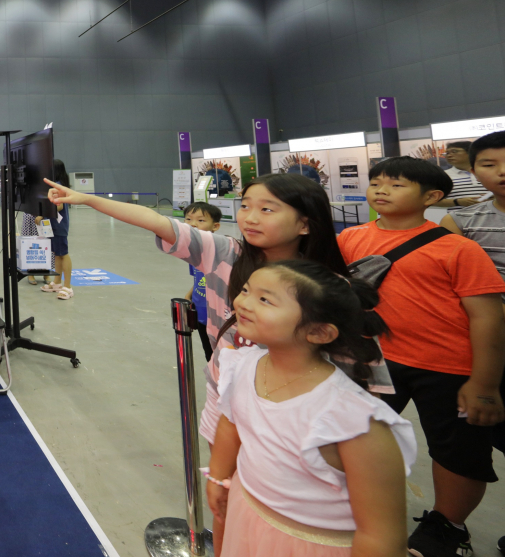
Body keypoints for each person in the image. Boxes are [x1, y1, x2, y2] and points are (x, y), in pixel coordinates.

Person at [44, 173, 381, 450]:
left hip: (297, 404)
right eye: (246, 206)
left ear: (305, 224)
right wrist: (88, 199)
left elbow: (358, 370)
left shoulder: (329, 286)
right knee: (224, 480)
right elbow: (159, 222)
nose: (249, 217)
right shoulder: (225, 252)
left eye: (267, 210)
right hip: (226, 391)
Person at [338, 156, 505, 557]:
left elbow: (487, 316)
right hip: (371, 360)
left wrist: (483, 383)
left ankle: (448, 525)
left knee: (456, 449)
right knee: (356, 437)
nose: (381, 190)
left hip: (446, 365)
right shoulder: (349, 239)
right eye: (376, 182)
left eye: (396, 185)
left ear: (431, 196)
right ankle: (356, 507)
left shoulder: (458, 248)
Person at [206, 260, 416, 557]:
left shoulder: (352, 419)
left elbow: (381, 537)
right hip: (247, 512)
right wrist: (218, 476)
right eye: (245, 290)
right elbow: (232, 422)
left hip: (313, 544)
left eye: (265, 299)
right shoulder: (242, 365)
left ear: (319, 332)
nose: (243, 302)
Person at [438, 132, 505, 557]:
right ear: (473, 169)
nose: (502, 173)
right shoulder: (461, 223)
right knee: (479, 436)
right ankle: (450, 526)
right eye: (489, 164)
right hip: (487, 349)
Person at [182, 201, 222, 362]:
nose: (193, 225)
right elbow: (199, 278)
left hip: (218, 316)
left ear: (215, 226)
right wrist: (189, 295)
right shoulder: (195, 251)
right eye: (189, 219)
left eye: (201, 220)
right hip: (201, 313)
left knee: (223, 356)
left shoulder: (220, 251)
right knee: (209, 355)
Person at [44, 159, 74, 299]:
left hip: (59, 226)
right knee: (56, 253)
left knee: (63, 254)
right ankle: (57, 282)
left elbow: (59, 206)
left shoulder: (59, 187)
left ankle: (67, 286)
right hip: (53, 226)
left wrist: (43, 211)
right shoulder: (56, 186)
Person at [433, 141, 489, 209]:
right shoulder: (443, 175)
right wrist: (457, 202)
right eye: (447, 153)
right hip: (458, 218)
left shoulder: (488, 171)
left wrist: (496, 199)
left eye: (454, 151)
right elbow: (432, 200)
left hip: (494, 217)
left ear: (470, 152)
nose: (449, 155)